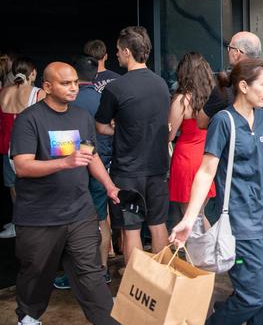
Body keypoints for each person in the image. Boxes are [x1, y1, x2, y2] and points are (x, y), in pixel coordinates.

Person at [170, 58, 263, 325]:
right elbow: (206, 171)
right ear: (243, 86)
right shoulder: (223, 121)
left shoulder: (262, 117)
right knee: (251, 297)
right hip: (238, 223)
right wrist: (189, 219)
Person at [11, 62, 119, 325]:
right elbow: (22, 166)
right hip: (39, 217)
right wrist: (66, 162)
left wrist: (109, 185)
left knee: (90, 273)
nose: (73, 88)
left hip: (79, 212)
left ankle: (106, 320)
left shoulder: (82, 117)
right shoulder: (29, 119)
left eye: (74, 82)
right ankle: (28, 316)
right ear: (47, 87)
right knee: (36, 272)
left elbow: (90, 155)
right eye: (65, 83)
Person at [95, 26, 170, 265]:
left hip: (128, 172)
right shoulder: (161, 84)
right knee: (158, 226)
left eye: (118, 50)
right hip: (158, 168)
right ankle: (161, 285)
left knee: (132, 230)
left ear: (127, 52)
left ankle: (135, 290)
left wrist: (120, 128)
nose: (116, 54)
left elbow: (101, 126)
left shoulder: (116, 88)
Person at [53, 56, 113, 289]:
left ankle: (74, 274)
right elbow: (111, 131)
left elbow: (60, 146)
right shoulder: (103, 99)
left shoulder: (69, 105)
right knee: (100, 219)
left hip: (72, 170)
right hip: (101, 165)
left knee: (75, 221)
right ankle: (103, 270)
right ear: (96, 76)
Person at [168, 52, 216, 222]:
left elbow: (170, 134)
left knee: (189, 218)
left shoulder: (182, 100)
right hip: (207, 157)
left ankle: (201, 249)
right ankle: (208, 248)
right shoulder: (213, 98)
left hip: (186, 159)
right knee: (200, 215)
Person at [0, 57, 44, 239]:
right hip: (29, 149)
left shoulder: (3, 92)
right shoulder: (39, 93)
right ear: (33, 73)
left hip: (6, 147)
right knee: (35, 188)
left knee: (14, 188)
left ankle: (18, 224)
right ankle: (34, 225)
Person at [197, 31, 261, 129]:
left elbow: (201, 123)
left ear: (236, 53)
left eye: (229, 48)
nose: (228, 51)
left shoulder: (226, 88)